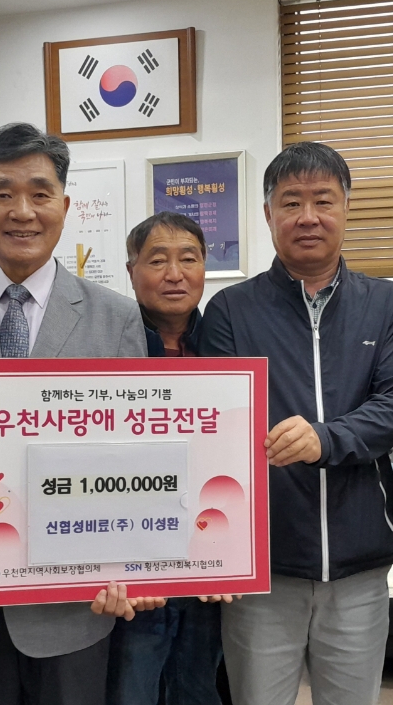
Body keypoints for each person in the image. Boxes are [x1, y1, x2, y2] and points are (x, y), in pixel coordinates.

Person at [0, 122, 153, 705]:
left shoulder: (115, 316)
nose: (23, 212)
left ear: (64, 206)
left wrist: (133, 564)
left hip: (73, 599)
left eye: (40, 194)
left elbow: (136, 450)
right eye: (3, 193)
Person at [198, 141, 393, 705]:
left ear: (346, 208)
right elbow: (216, 422)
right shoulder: (230, 310)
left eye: (323, 200)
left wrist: (325, 438)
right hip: (263, 563)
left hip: (359, 561)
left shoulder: (389, 305)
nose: (308, 216)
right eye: (290, 202)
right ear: (267, 213)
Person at [106, 211, 225, 705]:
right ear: (131, 270)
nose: (175, 274)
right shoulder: (108, 345)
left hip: (208, 560)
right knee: (133, 687)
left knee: (199, 686)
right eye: (157, 261)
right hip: (132, 562)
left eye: (188, 259)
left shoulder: (227, 342)